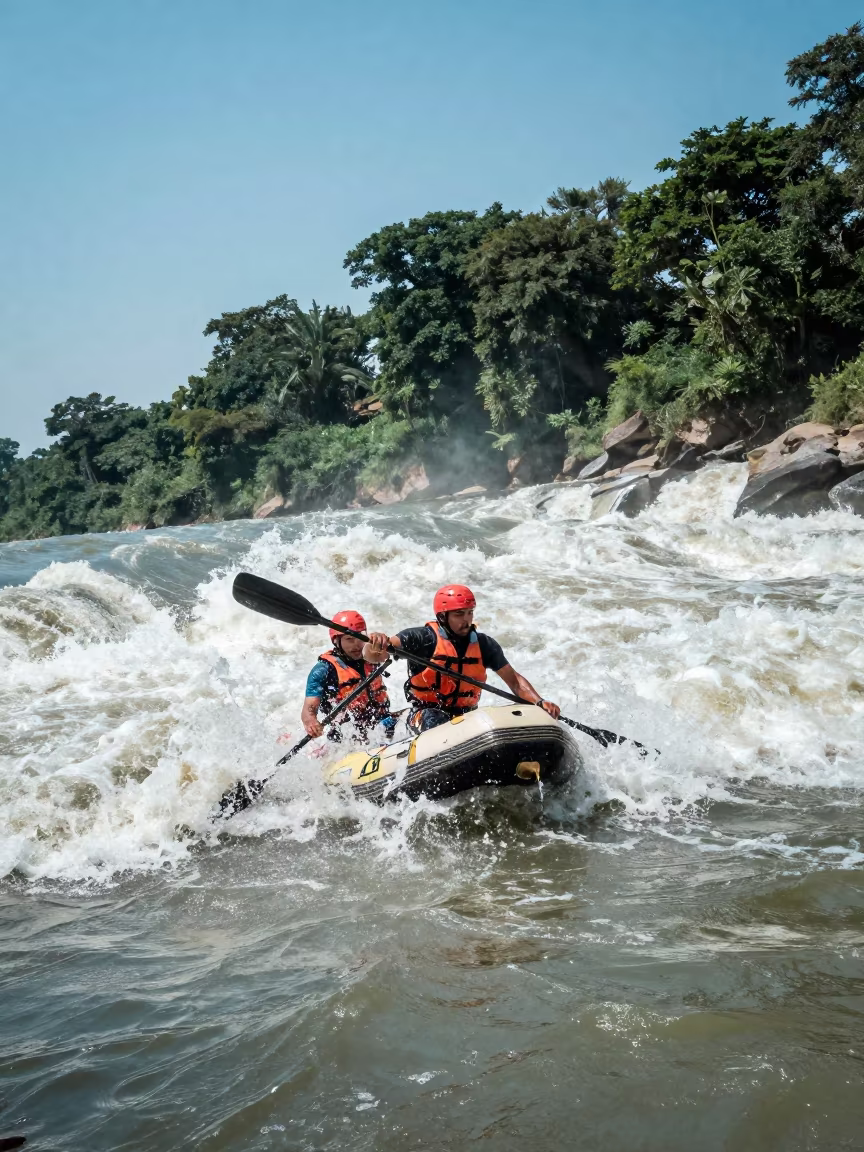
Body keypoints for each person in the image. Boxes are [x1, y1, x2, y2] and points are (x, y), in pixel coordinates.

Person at [363, 584, 560, 733]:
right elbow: (375, 656)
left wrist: (539, 702)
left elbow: (515, 682)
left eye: (469, 613)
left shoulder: (484, 645)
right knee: (435, 721)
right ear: (442, 617)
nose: (466, 620)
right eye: (459, 614)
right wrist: (375, 643)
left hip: (467, 715)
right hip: (425, 713)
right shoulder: (421, 638)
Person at [301, 610, 395, 742]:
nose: (356, 644)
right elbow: (308, 711)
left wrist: (382, 641)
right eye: (349, 639)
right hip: (347, 736)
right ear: (336, 641)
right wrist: (311, 722)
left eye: (360, 638)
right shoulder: (323, 670)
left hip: (381, 723)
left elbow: (386, 653)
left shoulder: (371, 655)